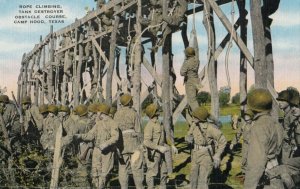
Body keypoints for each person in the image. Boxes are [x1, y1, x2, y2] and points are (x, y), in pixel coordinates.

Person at [244, 88, 284, 189]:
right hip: (276, 172)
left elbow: (256, 163)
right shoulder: (275, 122)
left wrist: (249, 186)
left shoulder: (259, 126)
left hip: (265, 177)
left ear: (252, 107)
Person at [75, 103, 119, 188]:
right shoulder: (98, 123)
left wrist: (106, 144)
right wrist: (80, 136)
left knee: (105, 174)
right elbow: (91, 135)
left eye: (98, 111)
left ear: (102, 112)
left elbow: (115, 137)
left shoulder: (113, 123)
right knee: (95, 173)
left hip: (107, 151)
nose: (97, 113)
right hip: (97, 150)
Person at [185, 106, 227, 189]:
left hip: (206, 156)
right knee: (193, 178)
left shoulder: (211, 128)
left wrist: (217, 155)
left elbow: (223, 141)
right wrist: (188, 138)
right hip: (195, 154)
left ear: (200, 118)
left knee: (203, 181)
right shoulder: (194, 125)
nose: (192, 118)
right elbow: (188, 135)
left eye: (194, 116)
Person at [114, 94, 144, 189]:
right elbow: (139, 131)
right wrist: (141, 144)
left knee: (123, 168)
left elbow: (115, 130)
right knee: (137, 168)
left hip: (121, 143)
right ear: (129, 102)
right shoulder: (134, 113)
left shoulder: (116, 114)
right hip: (133, 143)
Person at [143, 103, 170, 189]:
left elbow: (164, 137)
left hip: (162, 153)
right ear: (153, 113)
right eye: (157, 111)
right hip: (154, 153)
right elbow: (146, 142)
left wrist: (172, 145)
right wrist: (158, 147)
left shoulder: (159, 123)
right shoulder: (149, 125)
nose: (158, 112)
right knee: (152, 173)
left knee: (164, 172)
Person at [230, 110, 254, 177]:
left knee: (253, 159)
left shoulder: (256, 124)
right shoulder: (243, 124)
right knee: (244, 159)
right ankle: (244, 173)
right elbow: (238, 134)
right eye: (246, 120)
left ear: (252, 118)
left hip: (254, 145)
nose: (247, 121)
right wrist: (233, 143)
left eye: (248, 120)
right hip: (246, 144)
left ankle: (253, 173)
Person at [277, 90, 297, 163]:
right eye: (279, 101)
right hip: (285, 145)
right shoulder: (285, 114)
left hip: (291, 146)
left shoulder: (292, 114)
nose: (279, 103)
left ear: (288, 102)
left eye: (282, 101)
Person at [180, 47, 200, 112]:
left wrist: (185, 61)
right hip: (197, 81)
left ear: (187, 54)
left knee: (192, 101)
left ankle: (199, 115)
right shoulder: (197, 61)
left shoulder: (187, 62)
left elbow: (182, 73)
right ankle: (196, 115)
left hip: (190, 82)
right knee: (194, 99)